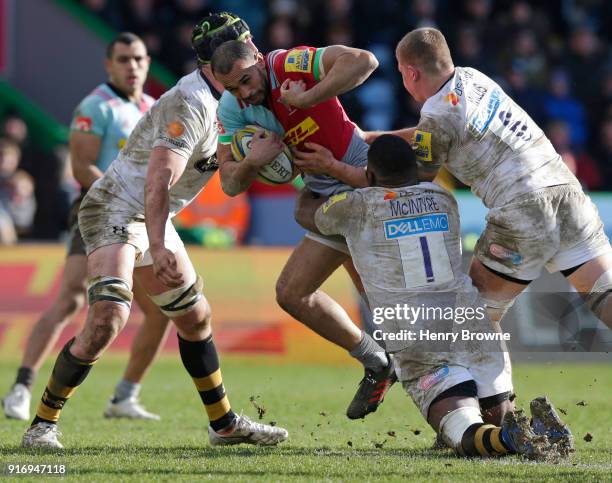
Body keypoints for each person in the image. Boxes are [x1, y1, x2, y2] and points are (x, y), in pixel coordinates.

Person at [21, 12, 287, 449]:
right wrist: (160, 244)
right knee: (108, 318)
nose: (254, 53)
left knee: (195, 316)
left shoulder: (238, 100)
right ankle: (42, 425)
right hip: (116, 208)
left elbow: (227, 180)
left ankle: (223, 425)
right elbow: (158, 177)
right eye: (244, 45)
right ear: (218, 59)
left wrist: (257, 160)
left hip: (150, 216)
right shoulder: (194, 102)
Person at [311, 134, 573, 460]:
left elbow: (313, 217)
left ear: (371, 176)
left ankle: (509, 437)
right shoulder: (444, 198)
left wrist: (325, 172)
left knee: (464, 435)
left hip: (421, 340)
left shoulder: (359, 207)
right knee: (494, 421)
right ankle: (518, 428)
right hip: (471, 323)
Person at [384, 28, 612, 337]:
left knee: (475, 323)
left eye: (400, 73)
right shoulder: (473, 78)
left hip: (523, 209)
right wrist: (376, 138)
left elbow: (418, 175)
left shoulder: (436, 114)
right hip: (567, 193)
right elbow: (436, 132)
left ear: (411, 72)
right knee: (605, 296)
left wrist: (339, 167)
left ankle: (501, 389)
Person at [211, 39, 396, 420]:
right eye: (233, 88)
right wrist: (253, 162)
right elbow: (229, 183)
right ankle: (377, 360)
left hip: (361, 179)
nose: (245, 93)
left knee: (389, 300)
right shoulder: (231, 110)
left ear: (259, 59)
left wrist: (308, 97)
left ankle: (461, 402)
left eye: (247, 80)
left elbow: (364, 60)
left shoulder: (286, 65)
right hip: (326, 194)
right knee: (292, 293)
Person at [2, 32, 170, 421]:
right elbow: (81, 168)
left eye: (140, 59)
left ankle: (125, 396)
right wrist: (126, 196)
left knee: (162, 310)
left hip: (140, 217)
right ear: (109, 65)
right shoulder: (97, 106)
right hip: (97, 210)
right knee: (73, 298)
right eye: (124, 59)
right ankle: (22, 386)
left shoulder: (152, 107)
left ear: (148, 63)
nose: (133, 66)